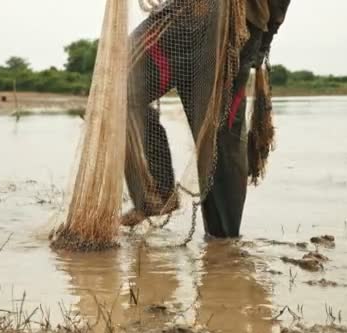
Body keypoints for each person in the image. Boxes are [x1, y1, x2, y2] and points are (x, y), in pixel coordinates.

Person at [122, 0, 291, 238]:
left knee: (221, 139)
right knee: (115, 90)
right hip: (190, 17)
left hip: (234, 26)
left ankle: (223, 249)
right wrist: (265, 36)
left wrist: (265, 38)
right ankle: (157, 193)